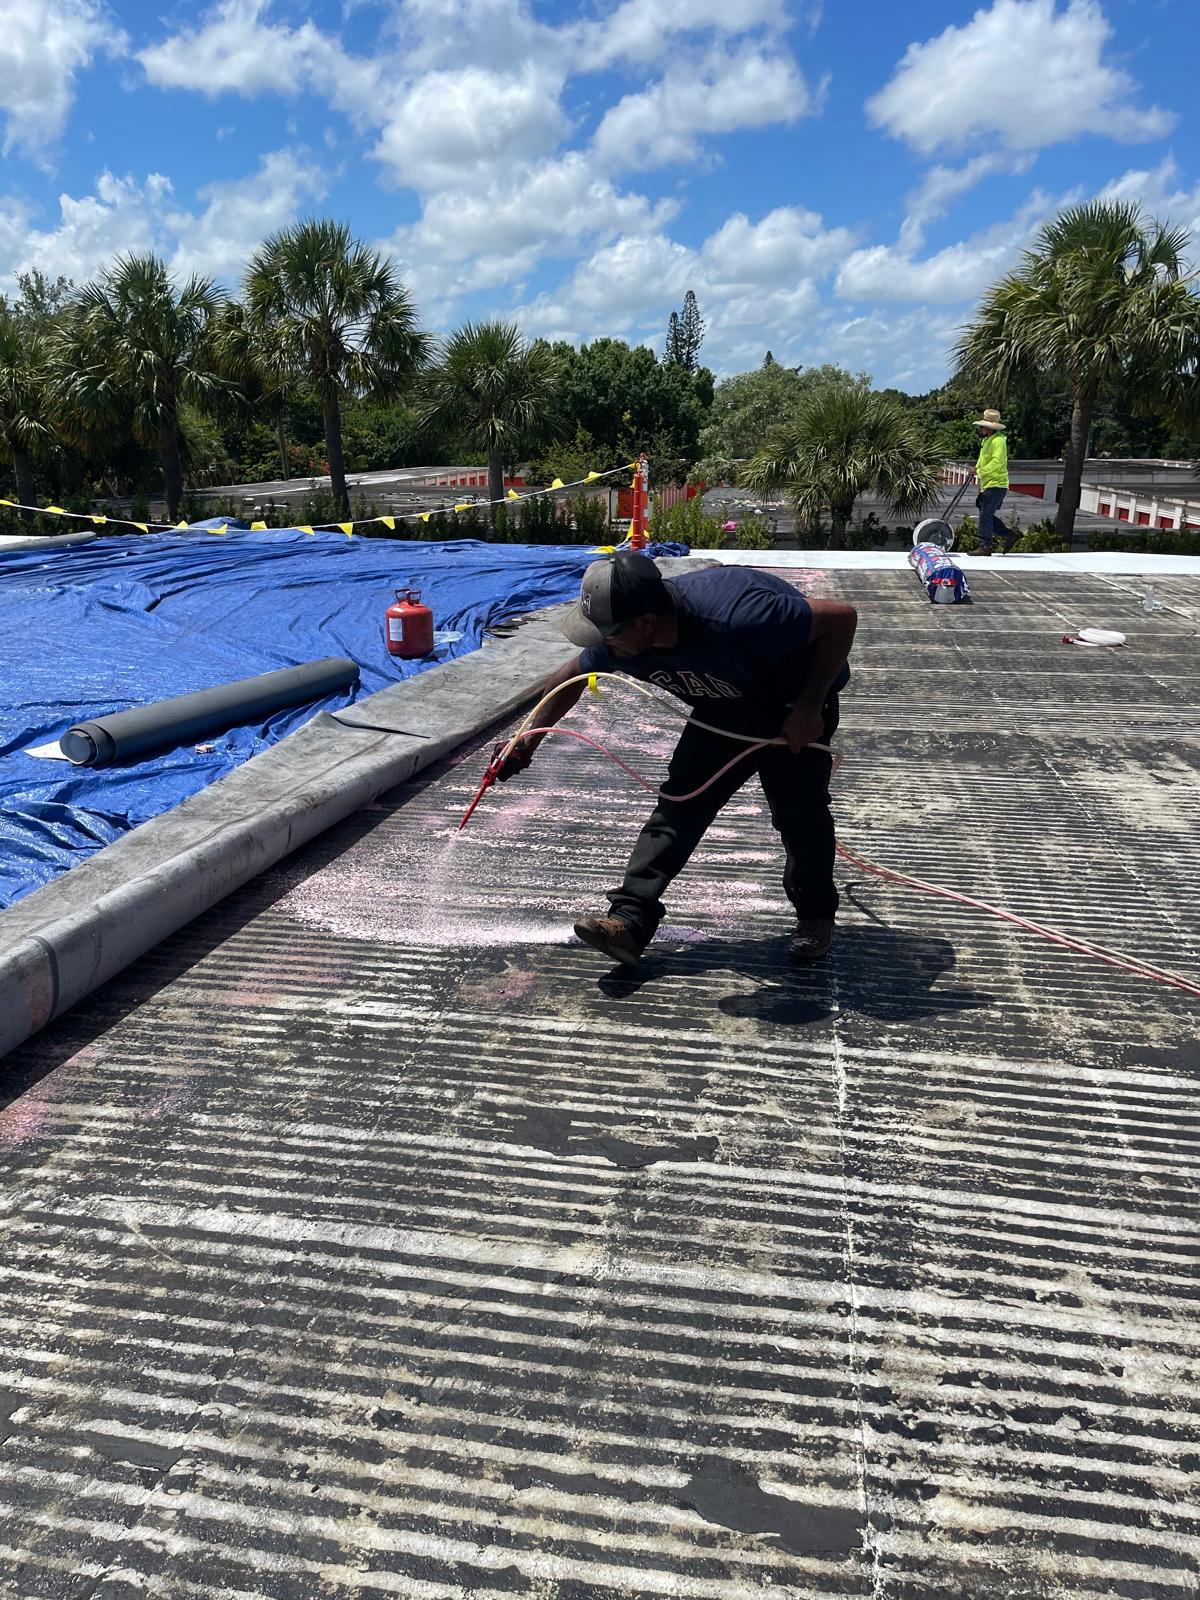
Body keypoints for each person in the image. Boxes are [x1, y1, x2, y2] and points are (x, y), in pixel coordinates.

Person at [495, 553, 857, 969]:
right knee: (679, 807)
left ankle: (815, 917)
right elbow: (569, 678)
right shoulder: (623, 644)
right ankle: (629, 923)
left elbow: (841, 618)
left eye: (609, 633)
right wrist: (525, 741)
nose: (602, 643)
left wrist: (809, 707)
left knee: (799, 815)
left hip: (794, 704)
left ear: (647, 622)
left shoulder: (740, 618)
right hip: (721, 708)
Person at [973, 407, 1016, 556]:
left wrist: (979, 471)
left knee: (985, 515)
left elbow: (996, 463)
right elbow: (982, 461)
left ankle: (986, 546)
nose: (981, 428)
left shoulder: (998, 442)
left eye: (983, 426)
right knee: (985, 514)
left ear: (989, 428)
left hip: (997, 484)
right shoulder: (987, 441)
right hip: (988, 484)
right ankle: (1007, 535)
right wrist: (977, 470)